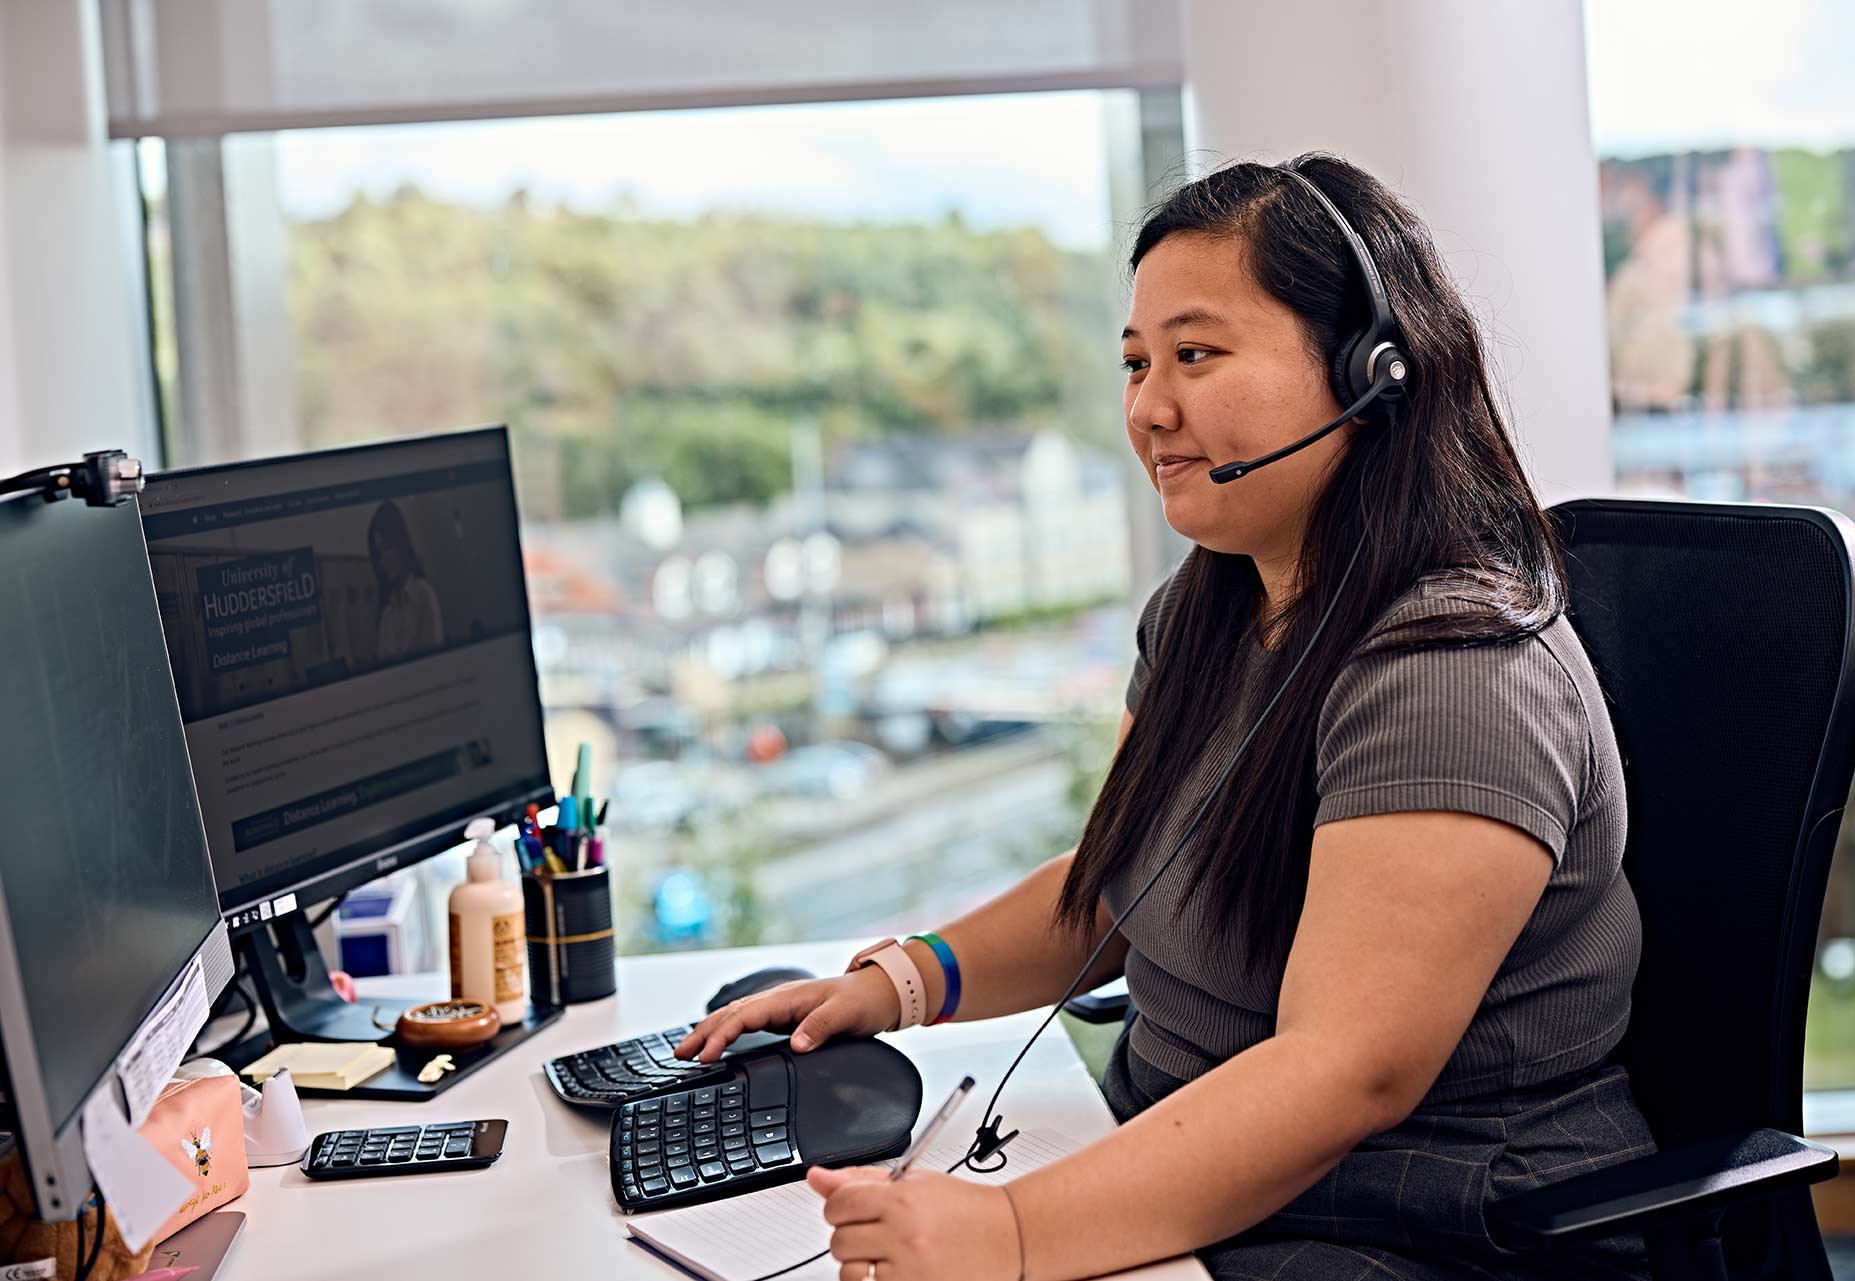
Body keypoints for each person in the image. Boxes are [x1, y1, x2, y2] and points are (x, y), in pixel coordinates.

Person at [675, 154, 1652, 1281]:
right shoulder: (1211, 609)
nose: (1148, 409)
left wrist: (1012, 1233)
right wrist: (895, 984)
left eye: (1196, 355)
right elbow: (1120, 883)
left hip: (1422, 1223)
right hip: (1208, 1166)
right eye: (1137, 363)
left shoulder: (1456, 674)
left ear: (1372, 374)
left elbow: (1347, 1071)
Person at [367, 499, 445, 664]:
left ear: (401, 543)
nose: (383, 560)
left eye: (387, 547)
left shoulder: (423, 594)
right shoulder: (387, 613)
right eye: (378, 553)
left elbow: (434, 662)